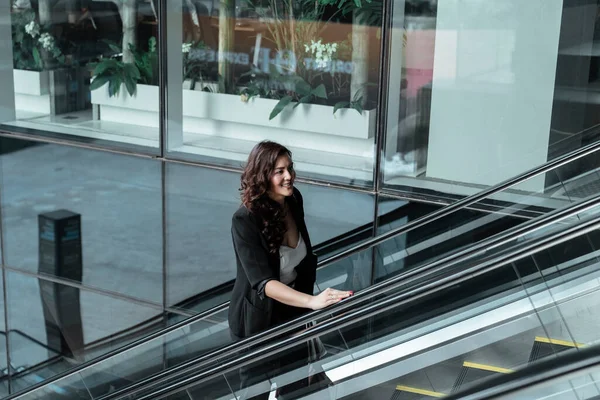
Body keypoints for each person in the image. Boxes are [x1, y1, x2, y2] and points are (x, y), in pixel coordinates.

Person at [229, 140, 352, 399]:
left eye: (290, 168)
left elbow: (302, 263)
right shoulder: (245, 220)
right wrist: (312, 302)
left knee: (296, 384)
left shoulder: (293, 200)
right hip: (257, 321)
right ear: (263, 176)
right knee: (256, 392)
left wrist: (306, 311)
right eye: (279, 171)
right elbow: (264, 283)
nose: (289, 176)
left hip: (293, 310)